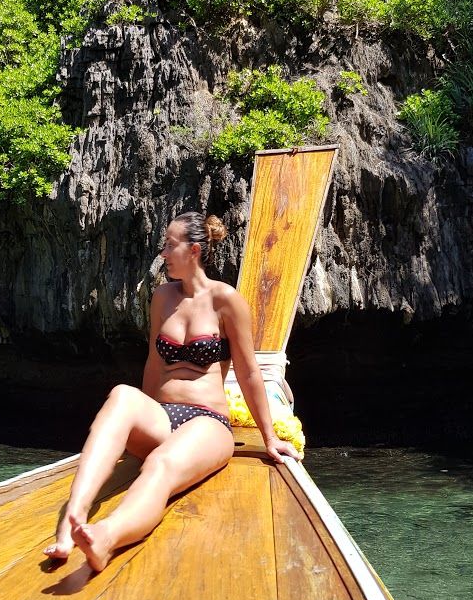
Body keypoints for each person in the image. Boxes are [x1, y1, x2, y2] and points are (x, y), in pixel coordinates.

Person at [45, 211, 303, 572]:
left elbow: (248, 373)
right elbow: (154, 362)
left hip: (207, 422)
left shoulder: (226, 300)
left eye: (169, 245)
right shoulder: (162, 298)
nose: (163, 253)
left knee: (160, 464)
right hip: (163, 416)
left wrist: (270, 437)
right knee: (122, 394)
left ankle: (105, 537)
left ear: (194, 250)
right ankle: (72, 520)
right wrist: (133, 427)